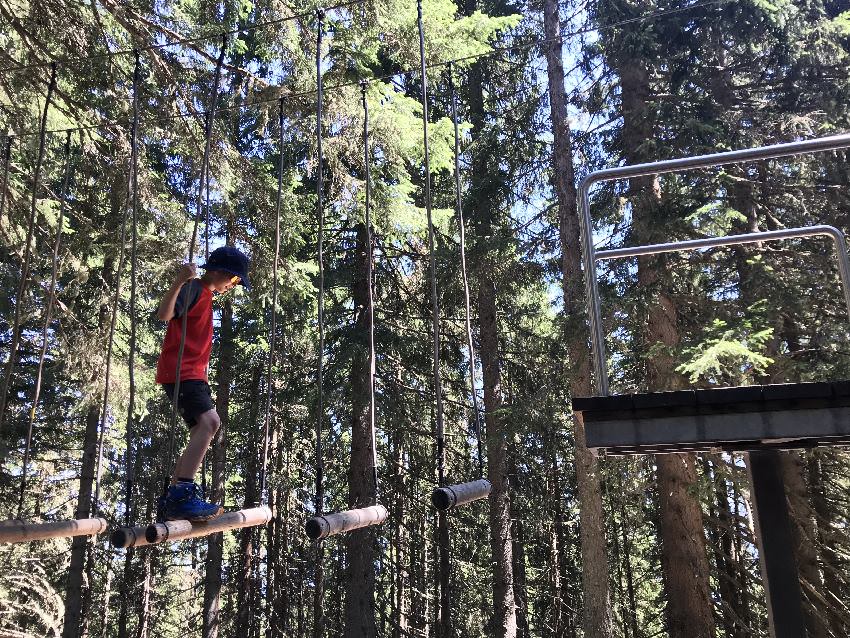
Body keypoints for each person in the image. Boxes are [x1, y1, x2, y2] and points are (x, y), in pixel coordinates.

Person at [155, 246, 250, 521]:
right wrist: (179, 282)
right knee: (210, 423)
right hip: (182, 372)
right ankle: (182, 495)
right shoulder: (194, 288)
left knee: (202, 428)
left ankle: (173, 498)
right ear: (221, 272)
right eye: (234, 280)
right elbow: (164, 314)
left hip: (192, 374)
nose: (233, 286)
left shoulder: (205, 295)